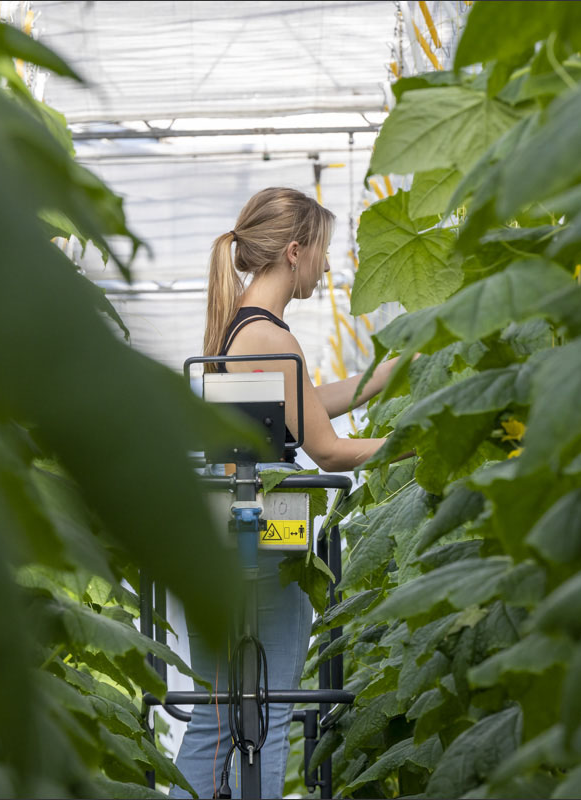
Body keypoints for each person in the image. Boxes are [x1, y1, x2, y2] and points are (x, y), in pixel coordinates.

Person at [169, 187, 409, 799]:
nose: (326, 267)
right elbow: (327, 450)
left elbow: (304, 407)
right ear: (295, 251)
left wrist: (383, 376)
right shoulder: (270, 336)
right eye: (322, 251)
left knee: (218, 717)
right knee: (267, 710)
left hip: (225, 531)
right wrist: (420, 441)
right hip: (264, 534)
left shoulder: (244, 324)